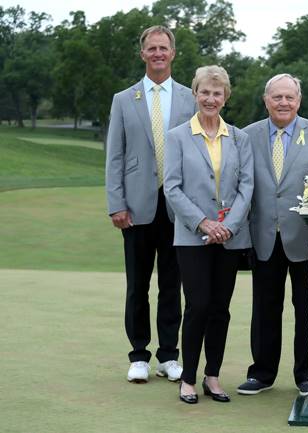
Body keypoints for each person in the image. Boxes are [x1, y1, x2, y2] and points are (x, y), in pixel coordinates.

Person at [237, 74, 308, 397]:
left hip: (307, 241)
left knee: (307, 309)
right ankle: (262, 373)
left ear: (299, 100)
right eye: (277, 97)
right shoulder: (245, 136)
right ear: (266, 100)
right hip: (264, 236)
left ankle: (307, 375)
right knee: (265, 308)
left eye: (289, 97)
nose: (283, 103)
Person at [106, 25, 195, 383]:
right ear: (142, 54)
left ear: (173, 53)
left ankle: (169, 356)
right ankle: (139, 354)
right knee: (137, 285)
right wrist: (116, 204)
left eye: (164, 48)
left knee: (172, 285)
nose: (158, 53)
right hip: (137, 206)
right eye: (151, 48)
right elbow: (115, 155)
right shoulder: (124, 99)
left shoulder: (191, 98)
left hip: (178, 207)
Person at [164, 65, 253, 404]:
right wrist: (203, 223)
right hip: (192, 236)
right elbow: (172, 188)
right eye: (205, 92)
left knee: (220, 308)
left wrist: (228, 225)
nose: (211, 98)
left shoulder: (240, 138)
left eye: (217, 93)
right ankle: (188, 378)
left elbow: (247, 186)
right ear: (195, 94)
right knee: (197, 305)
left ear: (225, 98)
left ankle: (212, 377)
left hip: (230, 237)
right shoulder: (176, 137)